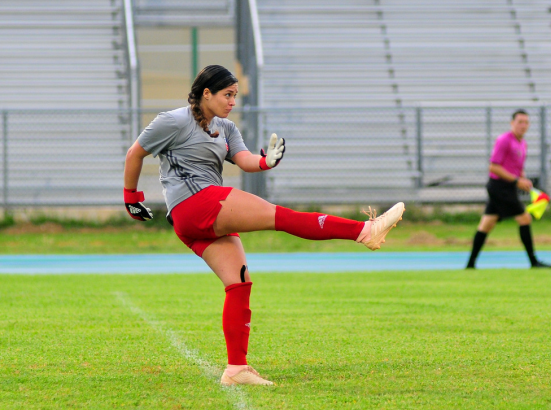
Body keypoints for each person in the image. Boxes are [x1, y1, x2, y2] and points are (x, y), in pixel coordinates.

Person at [123, 65, 405, 386]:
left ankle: (236, 370)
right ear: (206, 93)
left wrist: (266, 161)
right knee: (282, 217)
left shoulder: (226, 128)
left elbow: (243, 159)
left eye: (235, 96)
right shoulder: (172, 120)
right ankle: (364, 231)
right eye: (227, 95)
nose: (232, 102)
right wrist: (131, 197)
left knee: (239, 284)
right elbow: (135, 153)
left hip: (191, 223)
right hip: (196, 203)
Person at [465, 109, 551, 269]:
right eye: (520, 122)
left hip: (508, 187)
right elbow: (493, 167)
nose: (523, 125)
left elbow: (517, 167)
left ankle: (470, 264)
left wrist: (523, 180)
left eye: (526, 122)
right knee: (525, 218)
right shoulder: (504, 140)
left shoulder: (523, 143)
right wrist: (516, 181)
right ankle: (534, 262)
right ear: (512, 123)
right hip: (500, 187)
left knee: (486, 224)